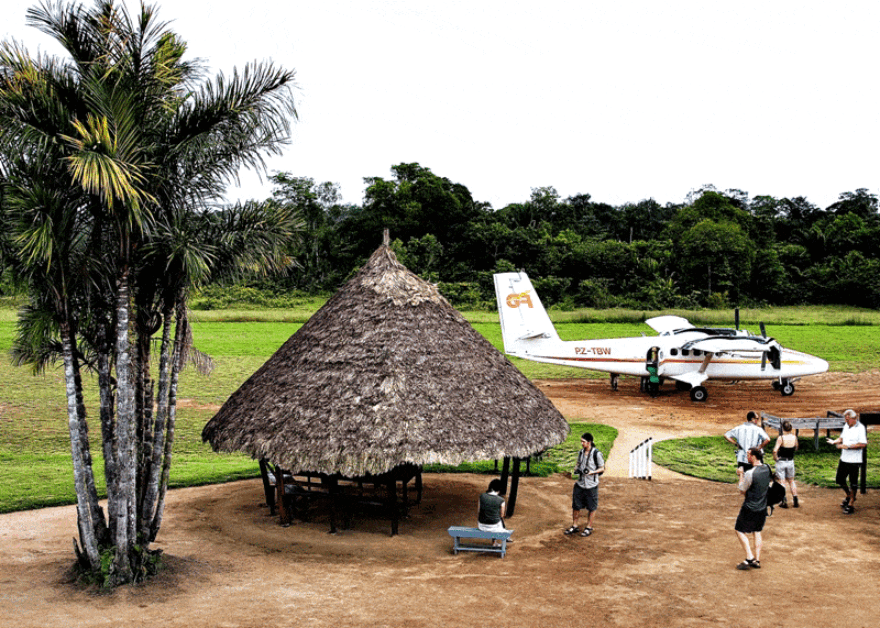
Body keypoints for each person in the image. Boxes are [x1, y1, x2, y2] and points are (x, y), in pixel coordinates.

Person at [734, 447, 771, 570]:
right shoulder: (768, 468)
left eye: (748, 454)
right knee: (757, 531)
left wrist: (741, 475)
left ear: (754, 456)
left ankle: (750, 557)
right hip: (762, 507)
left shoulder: (750, 473)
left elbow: (742, 490)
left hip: (749, 507)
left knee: (739, 530)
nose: (747, 457)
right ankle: (757, 560)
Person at [563, 432, 605, 538]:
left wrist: (592, 472)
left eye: (583, 441)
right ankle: (575, 525)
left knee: (592, 507)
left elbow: (602, 468)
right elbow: (578, 463)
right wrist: (576, 469)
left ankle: (589, 527)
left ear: (589, 442)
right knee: (576, 505)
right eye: (581, 441)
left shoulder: (597, 454)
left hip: (591, 484)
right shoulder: (581, 453)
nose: (581, 443)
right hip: (580, 483)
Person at [827, 409, 867, 515]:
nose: (846, 420)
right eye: (846, 418)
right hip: (844, 458)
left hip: (854, 460)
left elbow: (863, 444)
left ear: (854, 419)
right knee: (839, 479)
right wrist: (835, 441)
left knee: (853, 482)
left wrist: (847, 446)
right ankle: (849, 495)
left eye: (848, 419)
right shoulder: (846, 426)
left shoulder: (860, 428)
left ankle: (851, 504)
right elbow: (842, 438)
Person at [772, 420, 799, 508]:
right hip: (790, 461)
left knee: (782, 481)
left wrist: (775, 458)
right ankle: (795, 499)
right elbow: (796, 447)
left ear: (782, 428)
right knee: (791, 481)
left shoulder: (781, 438)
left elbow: (775, 450)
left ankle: (784, 501)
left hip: (781, 461)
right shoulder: (794, 437)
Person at [478, 479, 511, 545]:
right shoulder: (501, 500)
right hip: (494, 526)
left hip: (481, 525)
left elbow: (478, 511)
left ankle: (494, 542)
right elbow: (502, 515)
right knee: (498, 520)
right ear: (500, 489)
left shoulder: (482, 496)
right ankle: (495, 542)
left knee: (494, 518)